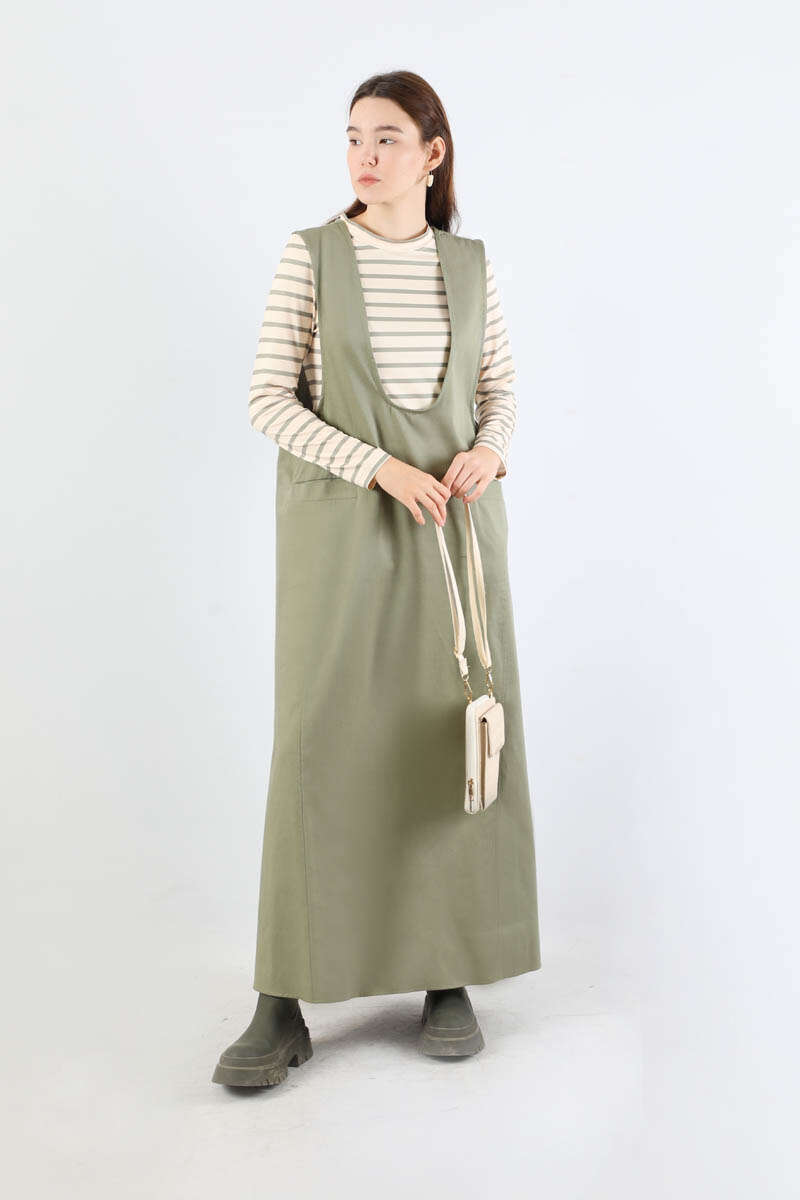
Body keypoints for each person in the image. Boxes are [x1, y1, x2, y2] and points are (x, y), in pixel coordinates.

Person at [213, 70, 541, 1089]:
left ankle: (446, 969)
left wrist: (488, 449)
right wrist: (378, 467)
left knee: (445, 737)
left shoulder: (470, 267)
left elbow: (498, 390)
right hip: (342, 532)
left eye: (388, 137)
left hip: (453, 530)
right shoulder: (310, 257)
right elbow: (268, 400)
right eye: (354, 135)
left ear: (432, 154)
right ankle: (283, 997)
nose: (365, 154)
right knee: (318, 743)